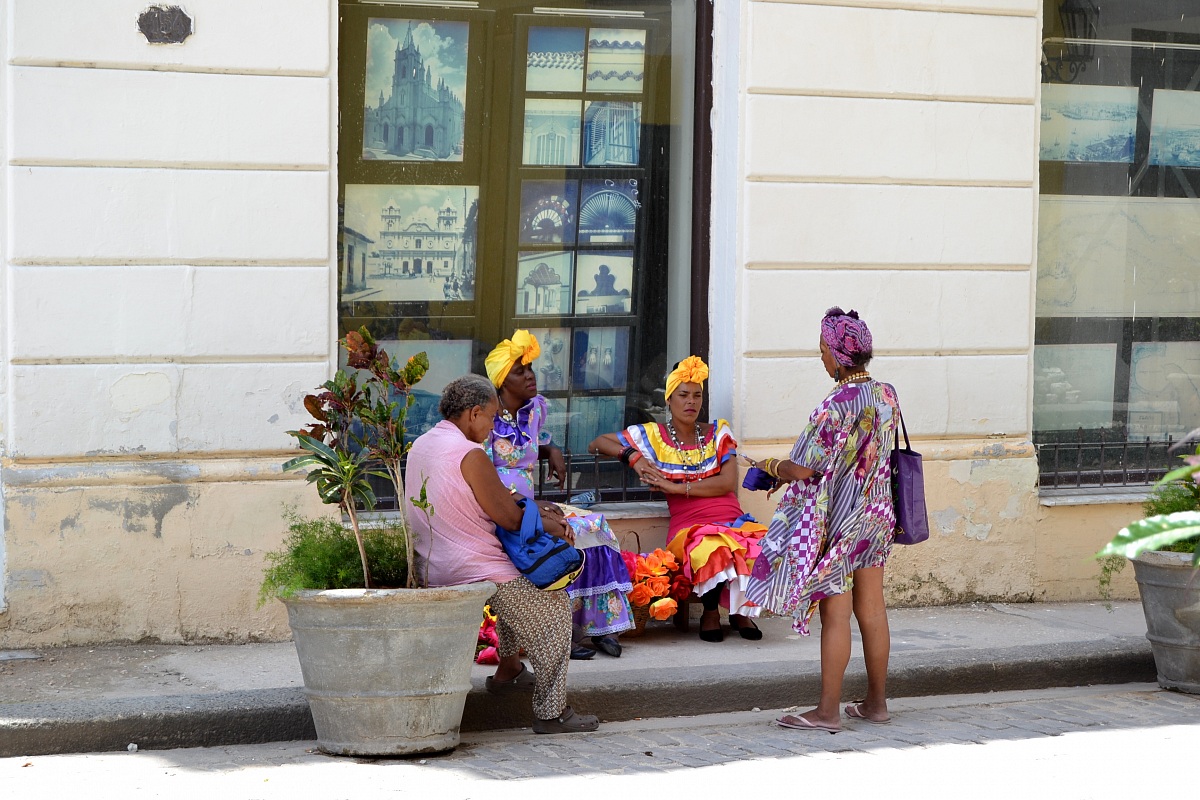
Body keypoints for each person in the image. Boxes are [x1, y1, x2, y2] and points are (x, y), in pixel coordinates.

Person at [404, 374, 599, 734]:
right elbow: (509, 518)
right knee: (554, 611)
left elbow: (481, 498)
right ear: (474, 413)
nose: (494, 426)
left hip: (432, 565)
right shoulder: (469, 453)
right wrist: (551, 524)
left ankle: (508, 669)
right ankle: (551, 713)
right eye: (492, 417)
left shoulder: (424, 444)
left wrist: (533, 508)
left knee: (518, 581)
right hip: (474, 567)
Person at [744, 307, 900, 733]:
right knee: (873, 608)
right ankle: (876, 704)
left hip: (836, 522)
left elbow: (805, 469)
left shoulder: (833, 405)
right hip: (876, 513)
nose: (821, 358)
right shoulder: (887, 394)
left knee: (836, 614)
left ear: (837, 353)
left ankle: (828, 712)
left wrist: (769, 466)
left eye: (823, 351)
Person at [589, 356, 766, 642]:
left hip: (731, 516)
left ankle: (739, 611)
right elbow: (597, 442)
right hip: (690, 525)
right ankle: (711, 613)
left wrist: (677, 488)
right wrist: (632, 456)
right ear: (669, 399)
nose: (691, 402)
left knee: (758, 544)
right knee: (712, 547)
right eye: (683, 395)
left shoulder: (717, 432)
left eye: (697, 395)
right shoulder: (654, 436)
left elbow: (726, 483)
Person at [484, 331, 634, 660]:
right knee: (562, 533)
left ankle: (601, 626)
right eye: (519, 371)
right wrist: (530, 506)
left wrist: (549, 449)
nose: (529, 376)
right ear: (501, 382)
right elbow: (481, 469)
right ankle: (561, 634)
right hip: (504, 509)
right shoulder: (486, 416)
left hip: (534, 504)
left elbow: (522, 448)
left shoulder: (535, 409)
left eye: (530, 368)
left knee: (593, 526)